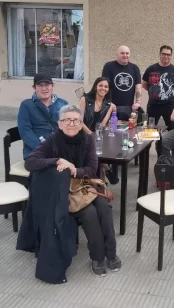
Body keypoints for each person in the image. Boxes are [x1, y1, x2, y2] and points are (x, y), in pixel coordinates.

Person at [24, 105, 121, 277]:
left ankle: (111, 254)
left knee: (104, 207)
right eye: (67, 120)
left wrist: (74, 170)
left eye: (76, 120)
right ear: (60, 123)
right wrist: (57, 160)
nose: (72, 123)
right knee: (89, 213)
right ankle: (97, 257)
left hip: (84, 185)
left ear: (81, 123)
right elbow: (30, 162)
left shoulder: (87, 139)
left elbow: (92, 168)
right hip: (63, 191)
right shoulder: (52, 140)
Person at [18, 73, 68, 158]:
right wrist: (42, 149)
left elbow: (68, 126)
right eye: (40, 85)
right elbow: (25, 131)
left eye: (47, 85)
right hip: (36, 151)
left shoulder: (63, 103)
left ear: (53, 86)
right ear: (34, 88)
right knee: (54, 168)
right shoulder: (26, 105)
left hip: (60, 148)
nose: (44, 88)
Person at [142, 45, 174, 130]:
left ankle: (166, 144)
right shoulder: (151, 69)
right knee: (150, 129)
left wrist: (170, 92)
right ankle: (152, 143)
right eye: (163, 54)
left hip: (169, 106)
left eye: (168, 55)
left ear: (171, 56)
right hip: (153, 105)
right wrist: (153, 92)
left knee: (172, 130)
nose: (166, 56)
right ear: (160, 54)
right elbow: (144, 83)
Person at [102, 45, 141, 120]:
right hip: (111, 107)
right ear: (117, 54)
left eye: (127, 53)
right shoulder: (109, 66)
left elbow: (138, 87)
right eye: (122, 53)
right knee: (111, 129)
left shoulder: (134, 68)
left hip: (129, 108)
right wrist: (108, 102)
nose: (125, 55)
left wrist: (137, 102)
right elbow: (104, 86)